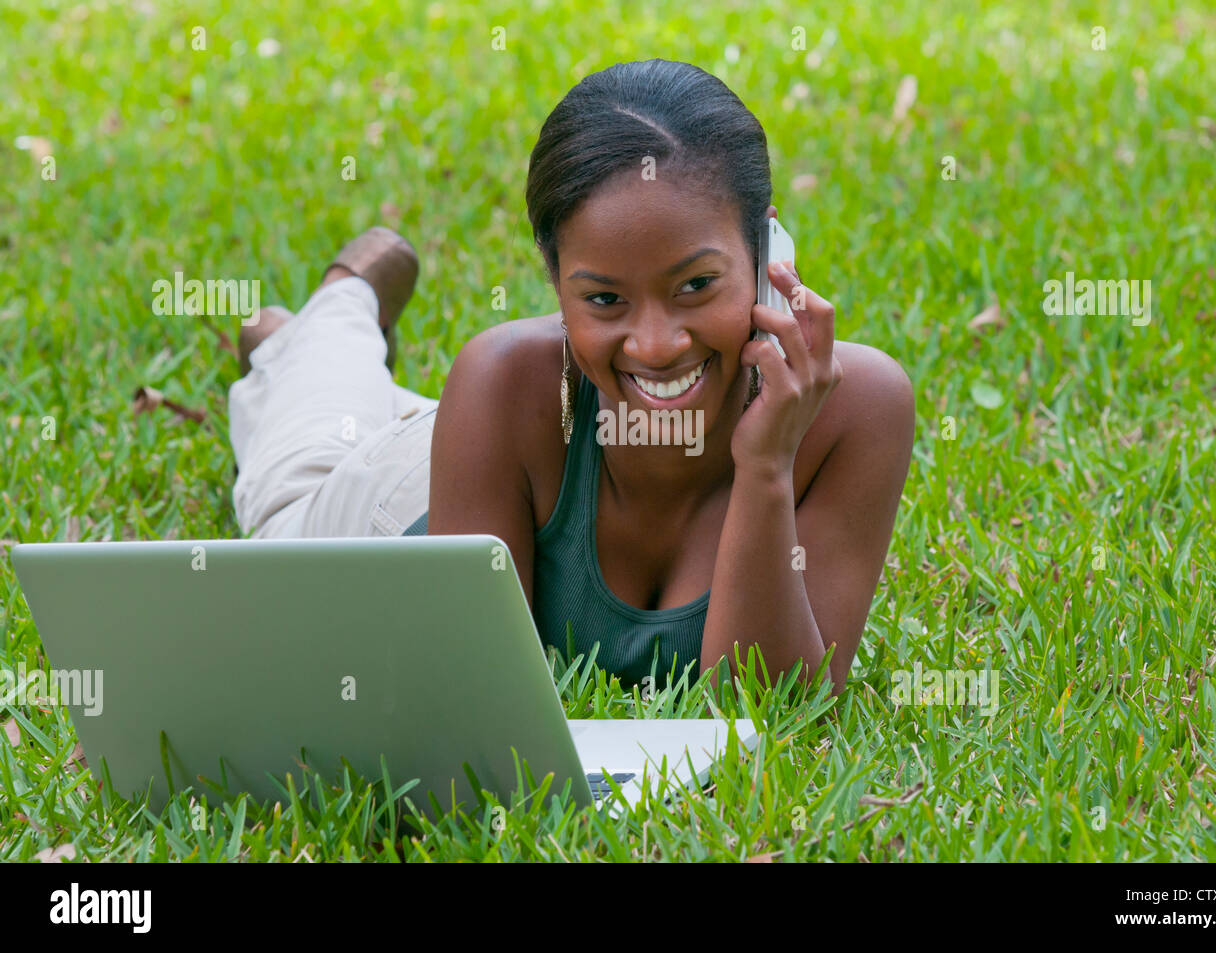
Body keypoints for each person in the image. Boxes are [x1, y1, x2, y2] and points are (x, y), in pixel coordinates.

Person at [228, 59, 915, 695]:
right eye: (605, 300)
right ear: (556, 286)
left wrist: (766, 465)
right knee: (294, 479)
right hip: (403, 496)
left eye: (697, 284)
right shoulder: (501, 381)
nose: (655, 344)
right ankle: (335, 311)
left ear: (767, 251)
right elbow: (469, 697)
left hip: (518, 439)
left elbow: (768, 711)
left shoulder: (857, 410)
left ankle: (304, 343)